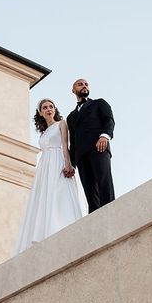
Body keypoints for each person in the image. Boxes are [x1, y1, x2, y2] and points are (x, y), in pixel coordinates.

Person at [14, 99, 82, 254]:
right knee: (44, 196)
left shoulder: (61, 124)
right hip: (44, 165)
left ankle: (59, 226)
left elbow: (65, 144)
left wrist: (68, 164)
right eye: (45, 107)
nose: (48, 109)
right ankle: (44, 230)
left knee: (60, 191)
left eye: (51, 106)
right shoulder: (43, 132)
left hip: (58, 160)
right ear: (40, 112)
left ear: (54, 109)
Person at [66, 79, 115, 213]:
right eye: (80, 84)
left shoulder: (99, 103)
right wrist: (71, 164)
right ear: (73, 90)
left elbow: (109, 121)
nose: (84, 86)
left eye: (86, 84)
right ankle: (94, 220)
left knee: (104, 183)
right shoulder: (70, 117)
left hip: (99, 148)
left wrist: (104, 136)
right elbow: (73, 141)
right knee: (90, 193)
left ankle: (111, 212)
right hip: (81, 156)